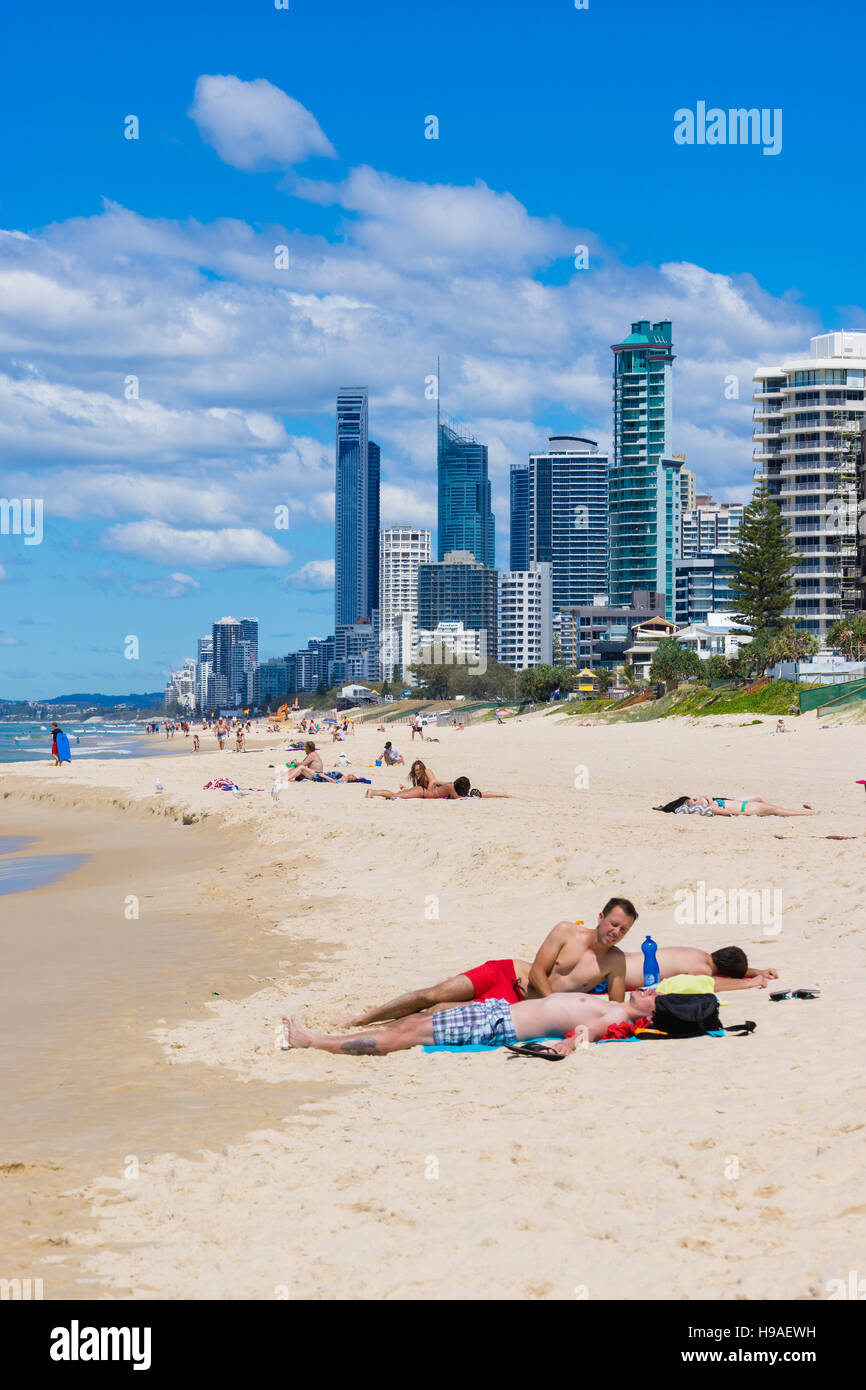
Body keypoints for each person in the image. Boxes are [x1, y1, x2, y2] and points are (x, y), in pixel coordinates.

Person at [337, 899, 637, 1027]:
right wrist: (556, 1005)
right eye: (613, 924)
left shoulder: (616, 962)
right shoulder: (566, 931)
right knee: (432, 994)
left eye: (623, 929)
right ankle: (360, 1020)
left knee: (437, 1011)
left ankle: (384, 1030)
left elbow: (615, 1006)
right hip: (504, 973)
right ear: (600, 917)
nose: (616, 932)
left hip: (513, 1006)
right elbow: (536, 972)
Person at [284, 988, 658, 1058]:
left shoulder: (613, 1017)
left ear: (652, 1016)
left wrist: (569, 1045)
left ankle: (314, 1042)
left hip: (496, 1027)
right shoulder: (613, 1003)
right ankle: (319, 1039)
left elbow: (585, 1034)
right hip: (496, 1011)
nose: (650, 990)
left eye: (656, 996)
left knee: (406, 1035)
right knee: (410, 1027)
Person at [621, 944, 777, 992]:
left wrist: (758, 972)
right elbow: (709, 983)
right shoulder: (702, 968)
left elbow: (726, 971)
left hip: (620, 958)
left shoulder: (700, 954)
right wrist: (748, 983)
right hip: (613, 977)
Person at [655, 794, 817, 818]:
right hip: (745, 808)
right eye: (696, 799)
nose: (699, 798)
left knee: (764, 800)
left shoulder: (711, 800)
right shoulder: (707, 807)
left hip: (744, 804)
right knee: (777, 811)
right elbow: (721, 811)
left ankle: (800, 812)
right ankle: (806, 814)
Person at [364, 775, 509, 801]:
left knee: (398, 794)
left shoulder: (452, 786)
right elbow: (461, 798)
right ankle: (373, 792)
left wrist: (503, 794)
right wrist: (475, 795)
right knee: (396, 795)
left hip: (423, 792)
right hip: (421, 792)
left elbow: (483, 793)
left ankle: (375, 792)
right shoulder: (453, 790)